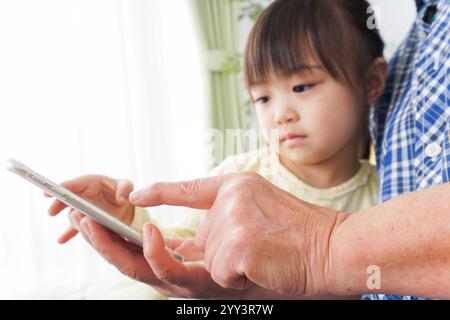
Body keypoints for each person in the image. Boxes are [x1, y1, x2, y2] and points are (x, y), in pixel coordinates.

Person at [53, 0, 450, 299]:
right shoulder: (240, 180)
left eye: (301, 87)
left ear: (372, 82)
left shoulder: (393, 197)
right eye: (262, 98)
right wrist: (128, 218)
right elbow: (180, 248)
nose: (281, 114)